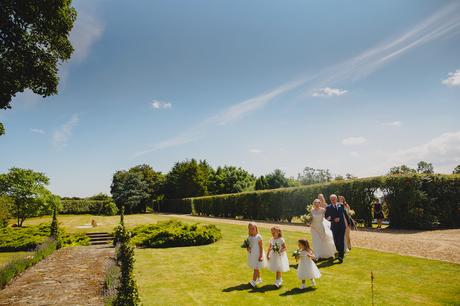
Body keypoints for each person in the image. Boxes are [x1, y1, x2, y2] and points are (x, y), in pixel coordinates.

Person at [325, 194, 349, 263]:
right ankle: (338, 251)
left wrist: (348, 223)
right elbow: (327, 217)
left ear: (336, 199)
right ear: (330, 200)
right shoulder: (328, 207)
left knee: (341, 240)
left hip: (342, 226)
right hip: (334, 226)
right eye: (331, 199)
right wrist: (333, 219)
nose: (333, 200)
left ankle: (341, 256)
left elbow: (345, 214)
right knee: (336, 241)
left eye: (334, 199)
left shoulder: (341, 205)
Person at [246, 222, 265, 287]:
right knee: (255, 267)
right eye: (250, 228)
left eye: (253, 228)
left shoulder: (258, 237)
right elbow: (249, 246)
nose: (251, 230)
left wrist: (261, 256)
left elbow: (261, 247)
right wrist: (248, 248)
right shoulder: (249, 237)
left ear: (256, 228)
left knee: (256, 268)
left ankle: (253, 282)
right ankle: (259, 279)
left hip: (258, 254)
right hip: (252, 255)